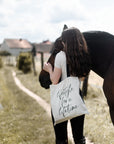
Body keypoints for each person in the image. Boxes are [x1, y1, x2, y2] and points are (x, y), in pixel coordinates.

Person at [43, 27, 91, 144]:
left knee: (61, 139)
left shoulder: (60, 55)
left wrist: (49, 69)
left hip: (62, 99)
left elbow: (55, 80)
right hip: (76, 97)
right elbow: (83, 77)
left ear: (65, 41)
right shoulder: (83, 55)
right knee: (79, 138)